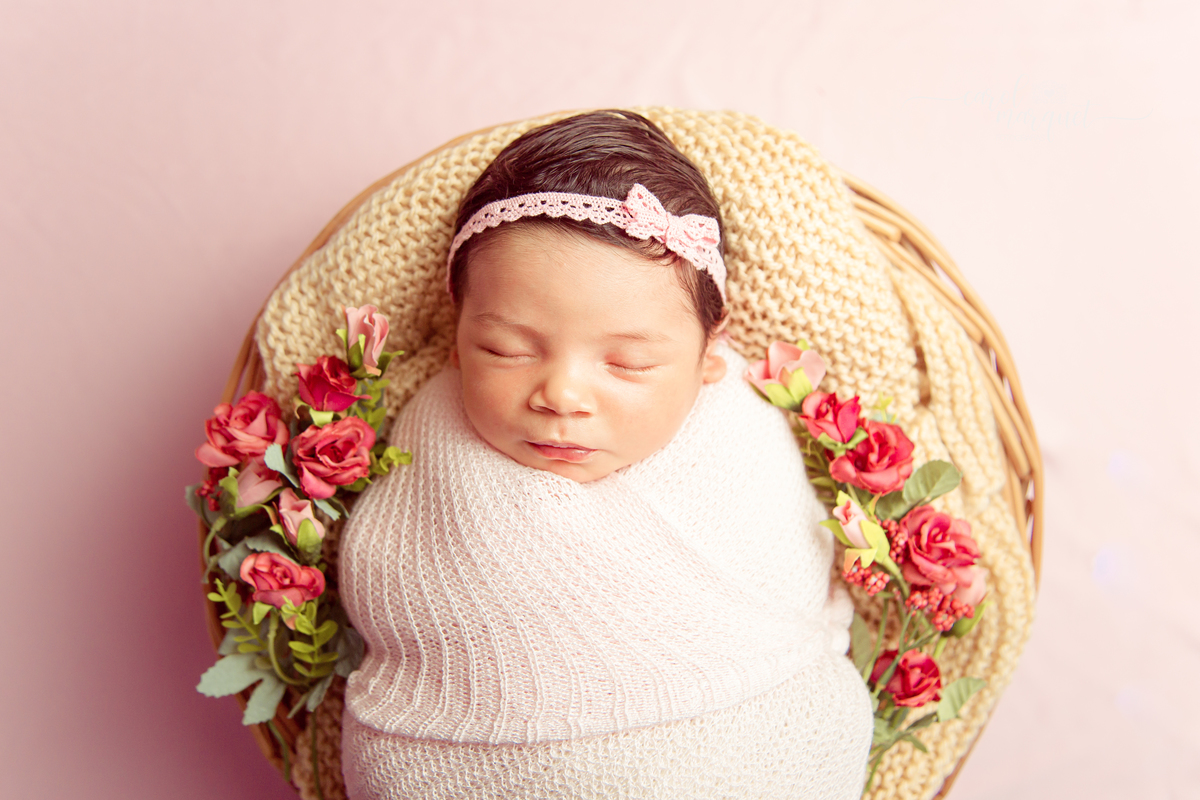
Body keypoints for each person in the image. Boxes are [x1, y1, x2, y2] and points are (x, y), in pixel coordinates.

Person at [337, 110, 873, 799]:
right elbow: (402, 599)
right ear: (457, 334)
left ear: (711, 355)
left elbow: (792, 585)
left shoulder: (740, 440)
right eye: (506, 349)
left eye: (627, 363)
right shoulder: (431, 443)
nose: (561, 394)